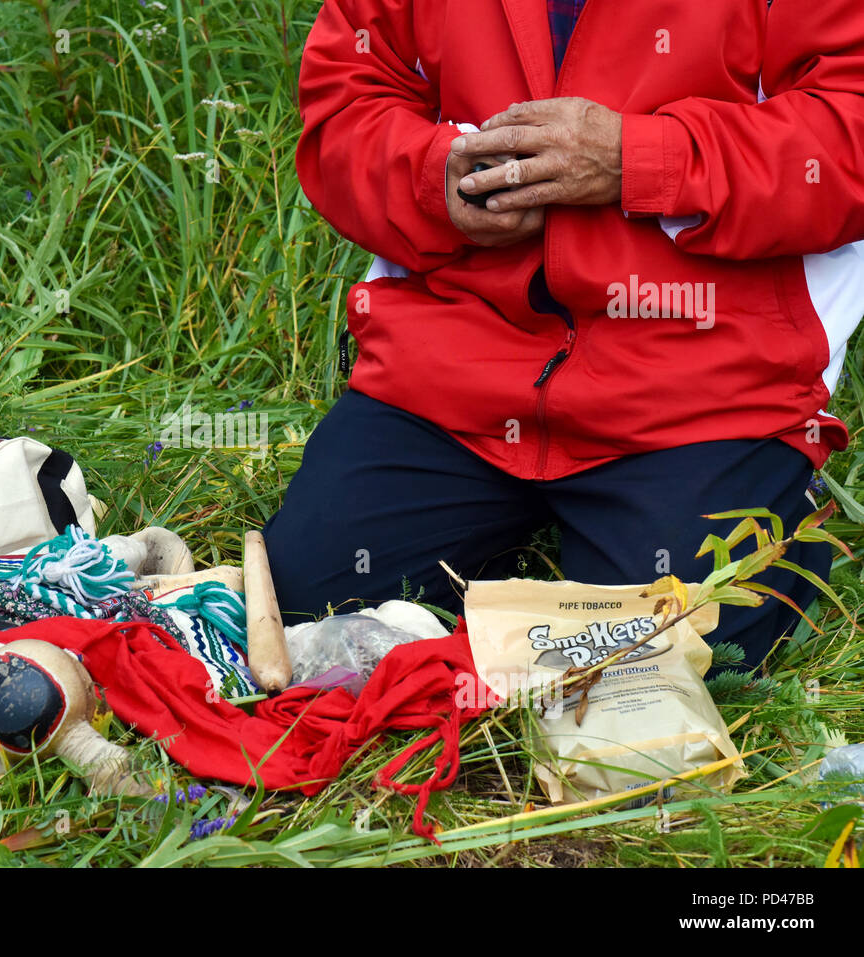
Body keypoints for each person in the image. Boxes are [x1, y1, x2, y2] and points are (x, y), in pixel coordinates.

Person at [262, 0, 864, 670]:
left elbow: (849, 135)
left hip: (701, 382)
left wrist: (640, 159)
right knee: (310, 605)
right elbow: (347, 98)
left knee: (677, 652)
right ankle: (524, 548)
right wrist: (435, 180)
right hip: (460, 366)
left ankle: (780, 512)